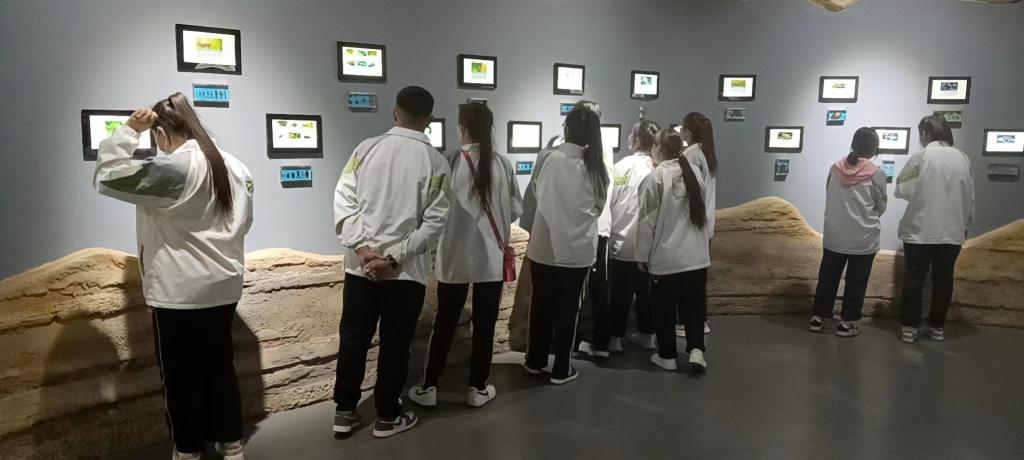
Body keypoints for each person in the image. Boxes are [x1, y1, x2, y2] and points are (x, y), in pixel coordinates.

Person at [93, 93, 254, 460]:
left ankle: (188, 449)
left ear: (162, 134)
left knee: (181, 377)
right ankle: (231, 443)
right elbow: (244, 222)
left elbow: (107, 177)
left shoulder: (174, 170)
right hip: (224, 287)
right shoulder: (236, 166)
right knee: (221, 367)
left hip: (179, 292)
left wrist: (129, 131)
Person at [332, 86, 451, 438]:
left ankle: (344, 411)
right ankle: (387, 415)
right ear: (429, 119)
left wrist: (362, 248)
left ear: (395, 112)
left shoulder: (364, 149)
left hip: (360, 268)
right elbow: (434, 222)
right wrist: (395, 258)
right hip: (405, 274)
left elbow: (344, 198)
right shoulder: (436, 162)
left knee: (353, 339)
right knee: (396, 344)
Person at [408, 102, 522, 409]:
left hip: (453, 259)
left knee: (444, 322)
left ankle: (429, 386)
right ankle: (478, 387)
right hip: (491, 260)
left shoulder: (448, 162)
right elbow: (515, 209)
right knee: (485, 325)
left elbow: (431, 209)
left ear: (461, 127)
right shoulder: (501, 164)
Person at [522, 106, 608, 384]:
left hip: (544, 248)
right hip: (577, 252)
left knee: (540, 306)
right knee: (569, 310)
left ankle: (535, 360)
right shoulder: (596, 168)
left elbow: (536, 190)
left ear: (566, 128)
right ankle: (561, 368)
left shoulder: (548, 158)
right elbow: (599, 206)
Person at [895, 114, 974, 344]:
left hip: (920, 229)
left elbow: (903, 188)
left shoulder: (922, 156)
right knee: (944, 278)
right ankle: (936, 326)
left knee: (914, 277)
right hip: (952, 230)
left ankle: (909, 327)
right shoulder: (963, 158)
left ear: (924, 133)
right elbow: (970, 195)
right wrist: (966, 222)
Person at [636, 128, 710, 373]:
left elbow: (646, 222)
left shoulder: (655, 178)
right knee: (694, 307)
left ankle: (667, 355)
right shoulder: (694, 173)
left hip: (667, 259)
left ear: (658, 148)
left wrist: (641, 256)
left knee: (665, 309)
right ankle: (697, 350)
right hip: (697, 257)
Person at [809, 128, 887, 337]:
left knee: (828, 278)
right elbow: (881, 205)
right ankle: (846, 323)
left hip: (835, 236)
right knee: (856, 281)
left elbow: (829, 193)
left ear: (853, 144)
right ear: (874, 148)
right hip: (863, 238)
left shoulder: (835, 168)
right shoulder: (876, 173)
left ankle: (817, 318)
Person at [608, 120, 659, 351]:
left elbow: (609, 202)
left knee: (620, 293)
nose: (628, 137)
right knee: (646, 293)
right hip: (649, 245)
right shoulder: (657, 169)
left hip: (621, 242)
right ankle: (647, 334)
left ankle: (615, 338)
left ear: (637, 140)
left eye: (631, 133)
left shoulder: (621, 167)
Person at [573, 100, 615, 359]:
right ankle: (596, 341)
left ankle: (591, 341)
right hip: (597, 228)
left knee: (588, 287)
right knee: (596, 287)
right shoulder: (602, 149)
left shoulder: (596, 151)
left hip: (590, 228)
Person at [677, 112, 718, 339]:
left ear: (688, 132)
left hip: (694, 225)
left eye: (682, 128)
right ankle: (701, 320)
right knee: (698, 279)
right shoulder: (706, 153)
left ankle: (689, 322)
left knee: (688, 280)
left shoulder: (690, 155)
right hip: (706, 225)